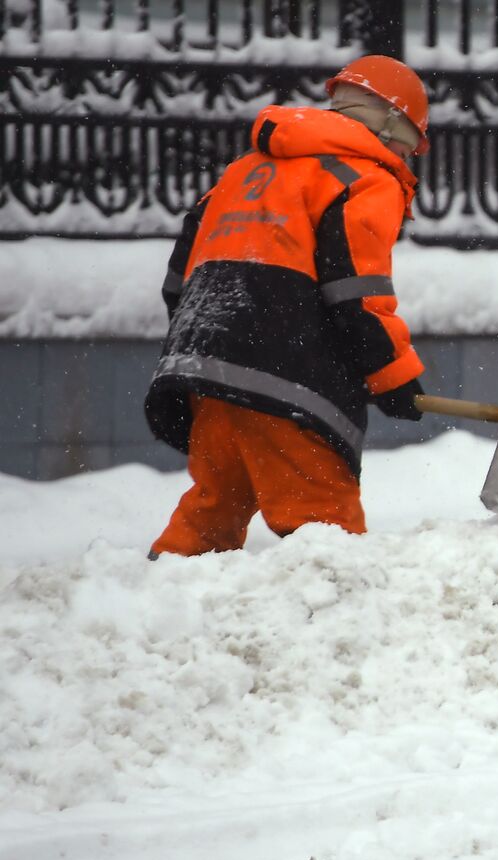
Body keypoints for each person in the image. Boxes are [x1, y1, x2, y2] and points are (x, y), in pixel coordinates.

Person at [145, 55, 431, 557]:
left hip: (205, 368)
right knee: (322, 530)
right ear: (390, 125)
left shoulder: (243, 172)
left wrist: (224, 347)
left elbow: (179, 281)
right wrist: (394, 377)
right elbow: (357, 294)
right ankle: (335, 626)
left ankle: (157, 608)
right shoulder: (363, 178)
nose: (408, 161)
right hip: (287, 377)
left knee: (213, 508)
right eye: (410, 145)